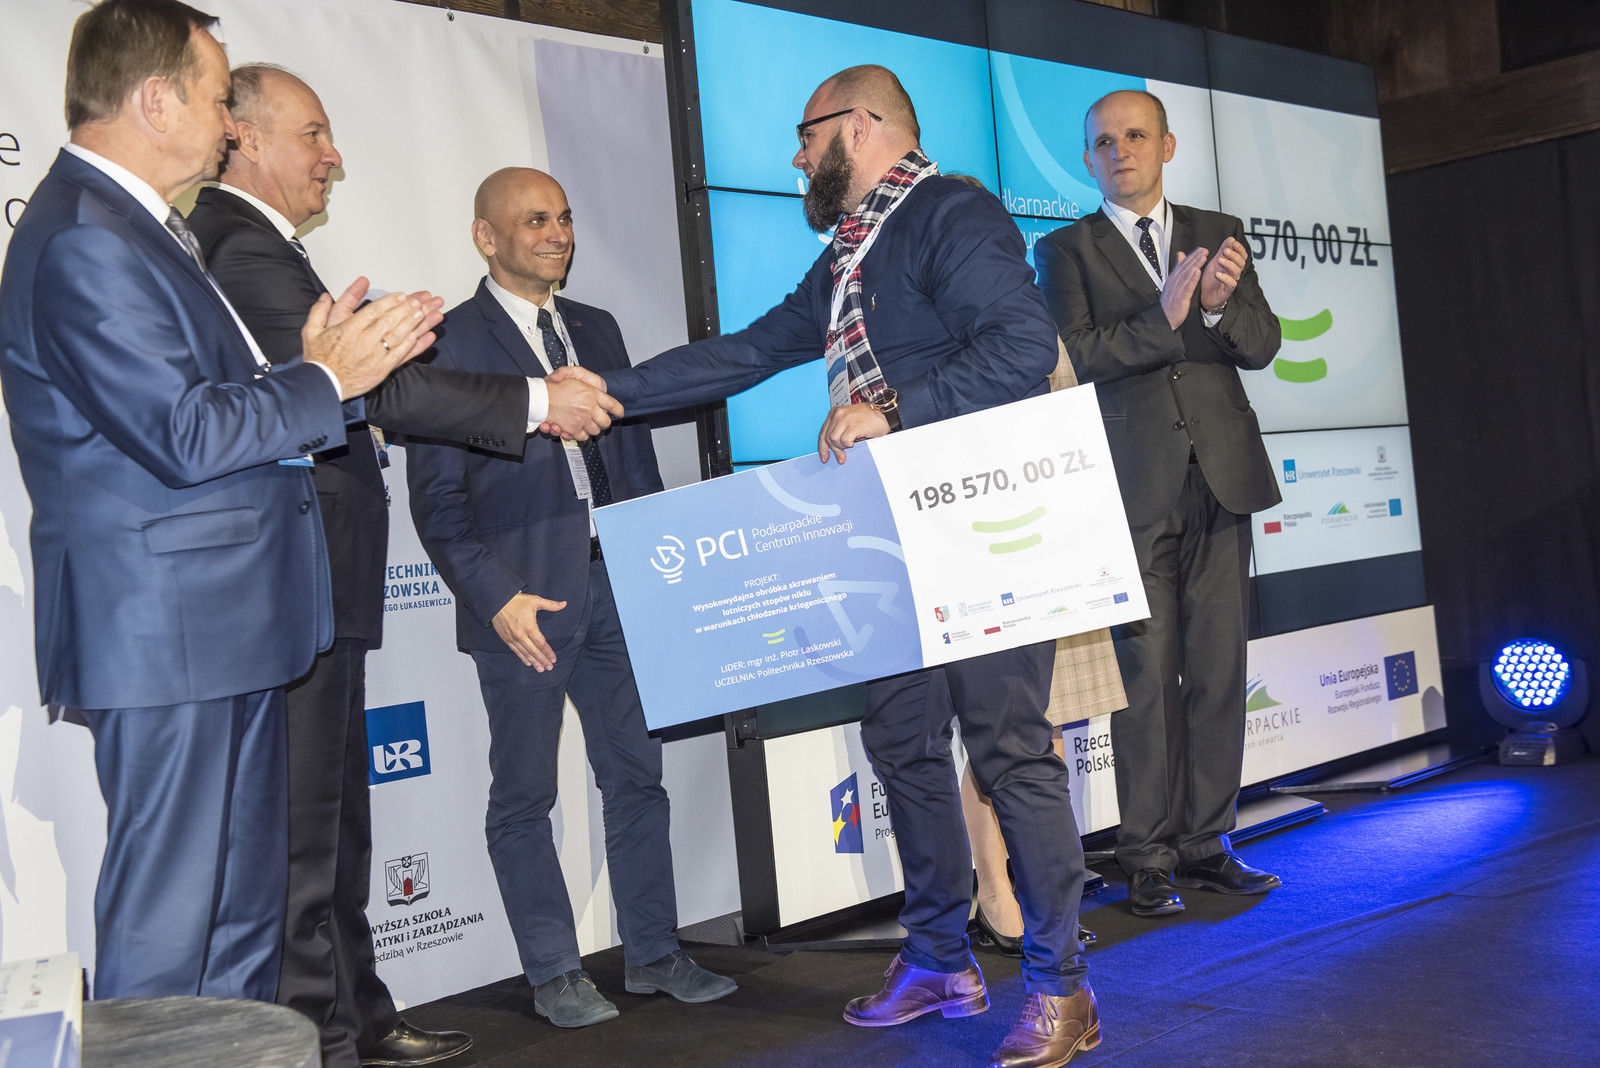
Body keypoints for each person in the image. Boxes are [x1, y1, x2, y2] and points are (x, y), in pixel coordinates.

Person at [554, 65, 1099, 1068]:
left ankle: (1063, 987)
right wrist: (607, 392)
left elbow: (1022, 345)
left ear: (860, 125)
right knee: (902, 744)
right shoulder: (850, 255)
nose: (796, 157)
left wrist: (892, 410)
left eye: (806, 136)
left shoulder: (948, 213)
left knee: (1009, 752)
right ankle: (939, 959)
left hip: (982, 525)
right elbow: (750, 351)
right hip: (890, 537)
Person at [0, 0, 441, 1001]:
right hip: (171, 640)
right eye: (214, 101)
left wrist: (321, 375)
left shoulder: (142, 230)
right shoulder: (85, 238)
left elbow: (207, 412)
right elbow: (183, 433)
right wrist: (325, 378)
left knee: (243, 924)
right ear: (156, 101)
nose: (230, 126)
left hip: (225, 629)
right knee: (171, 938)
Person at [185, 65, 616, 1067]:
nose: (334, 156)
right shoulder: (239, 245)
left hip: (323, 586)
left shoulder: (266, 246)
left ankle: (360, 1020)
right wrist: (536, 403)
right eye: (314, 133)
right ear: (248, 139)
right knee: (308, 839)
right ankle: (323, 1042)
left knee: (336, 828)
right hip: (291, 582)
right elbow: (382, 395)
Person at [406, 166, 737, 1029]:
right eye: (535, 220)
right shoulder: (446, 343)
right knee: (524, 796)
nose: (557, 234)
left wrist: (658, 568)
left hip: (619, 586)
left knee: (637, 778)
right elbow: (437, 504)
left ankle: (655, 953)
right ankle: (554, 971)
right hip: (522, 607)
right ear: (486, 236)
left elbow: (632, 461)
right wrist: (496, 598)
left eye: (563, 218)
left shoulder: (596, 327)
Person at [1033, 89, 1284, 920]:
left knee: (1218, 670)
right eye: (1103, 142)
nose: (1120, 151)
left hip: (1223, 477)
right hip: (1131, 490)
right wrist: (1166, 315)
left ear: (1167, 145)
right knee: (1144, 679)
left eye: (1135, 135)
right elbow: (1072, 356)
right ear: (1087, 159)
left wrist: (1215, 305)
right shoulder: (1064, 249)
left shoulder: (1218, 228)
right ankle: (1145, 856)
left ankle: (1207, 842)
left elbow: (1263, 344)